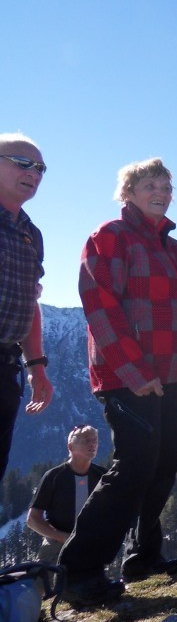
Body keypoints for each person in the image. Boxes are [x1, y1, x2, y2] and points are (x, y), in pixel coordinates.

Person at [59, 158, 177, 608]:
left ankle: (144, 555)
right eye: (150, 185)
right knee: (134, 466)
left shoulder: (174, 248)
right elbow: (101, 308)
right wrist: (135, 372)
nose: (161, 192)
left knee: (163, 464)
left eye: (166, 186)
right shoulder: (109, 237)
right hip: (128, 375)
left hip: (171, 375)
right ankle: (80, 570)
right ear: (127, 192)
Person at [0, 134, 53, 482]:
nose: (33, 173)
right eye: (22, 163)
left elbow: (29, 302)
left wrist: (36, 366)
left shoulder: (31, 233)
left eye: (40, 168)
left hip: (6, 367)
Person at [27, 425, 105, 564]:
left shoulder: (103, 476)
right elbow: (32, 519)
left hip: (91, 545)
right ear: (71, 447)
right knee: (48, 583)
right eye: (86, 440)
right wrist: (62, 537)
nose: (92, 444)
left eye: (95, 440)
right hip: (56, 546)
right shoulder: (54, 476)